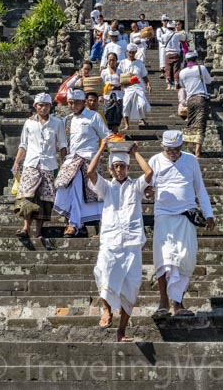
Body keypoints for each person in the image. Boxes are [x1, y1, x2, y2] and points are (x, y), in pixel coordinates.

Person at [88, 139, 153, 342]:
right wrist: (101, 149)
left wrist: (135, 153)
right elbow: (90, 172)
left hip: (132, 242)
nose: (119, 170)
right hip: (110, 240)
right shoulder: (107, 187)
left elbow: (149, 174)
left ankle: (122, 330)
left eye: (122, 166)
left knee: (131, 287)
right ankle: (106, 310)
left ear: (127, 167)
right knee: (102, 272)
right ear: (110, 169)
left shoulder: (135, 186)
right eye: (116, 167)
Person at [150, 130, 215, 319]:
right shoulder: (155, 160)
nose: (173, 153)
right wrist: (147, 192)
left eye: (176, 150)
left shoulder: (190, 160)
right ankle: (163, 302)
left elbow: (200, 188)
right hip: (163, 215)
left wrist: (208, 214)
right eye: (169, 150)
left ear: (182, 147)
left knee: (185, 259)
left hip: (186, 214)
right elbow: (149, 186)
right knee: (164, 259)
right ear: (163, 147)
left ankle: (178, 303)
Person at [54, 89, 110, 237]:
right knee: (62, 187)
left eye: (76, 103)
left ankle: (73, 224)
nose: (73, 106)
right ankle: (72, 222)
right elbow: (63, 144)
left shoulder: (94, 117)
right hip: (71, 160)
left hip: (88, 159)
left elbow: (106, 137)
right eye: (70, 103)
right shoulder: (66, 120)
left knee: (78, 190)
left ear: (83, 103)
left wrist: (103, 155)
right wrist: (64, 160)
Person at [12, 93, 68, 239]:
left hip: (49, 164)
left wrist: (64, 164)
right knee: (27, 196)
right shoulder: (29, 123)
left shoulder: (57, 123)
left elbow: (62, 145)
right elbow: (23, 144)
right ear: (35, 106)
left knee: (44, 199)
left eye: (46, 105)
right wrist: (17, 161)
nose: (43, 108)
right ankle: (25, 227)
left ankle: (37, 232)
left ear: (50, 106)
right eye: (40, 105)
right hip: (31, 163)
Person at [179, 51, 213, 157]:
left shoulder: (182, 72)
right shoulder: (201, 68)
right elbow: (208, 81)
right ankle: (197, 152)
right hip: (201, 98)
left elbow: (183, 86)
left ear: (186, 60)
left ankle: (189, 149)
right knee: (200, 125)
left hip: (190, 100)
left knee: (191, 123)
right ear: (196, 59)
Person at [118, 44, 151, 130]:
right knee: (125, 105)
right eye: (130, 53)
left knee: (142, 104)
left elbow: (144, 75)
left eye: (133, 53)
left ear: (135, 52)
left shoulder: (139, 63)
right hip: (127, 87)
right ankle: (126, 125)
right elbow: (119, 76)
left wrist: (148, 84)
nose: (131, 54)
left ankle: (142, 119)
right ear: (127, 52)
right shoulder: (122, 63)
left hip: (138, 86)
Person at [100, 52, 124, 132]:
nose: (111, 62)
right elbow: (101, 84)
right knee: (107, 112)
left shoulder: (120, 71)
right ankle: (107, 132)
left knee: (117, 114)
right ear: (107, 60)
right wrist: (100, 95)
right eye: (110, 60)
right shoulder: (104, 72)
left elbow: (123, 82)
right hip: (107, 95)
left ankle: (115, 131)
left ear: (116, 61)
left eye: (113, 60)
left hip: (118, 95)